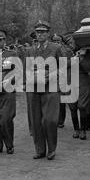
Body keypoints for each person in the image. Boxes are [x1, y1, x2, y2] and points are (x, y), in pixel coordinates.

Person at [22, 21, 64, 160]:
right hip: (33, 89)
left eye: (43, 32)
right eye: (38, 32)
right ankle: (40, 149)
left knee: (50, 120)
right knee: (35, 121)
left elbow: (63, 68)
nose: (40, 34)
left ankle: (51, 149)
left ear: (48, 34)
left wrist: (51, 75)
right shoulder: (30, 50)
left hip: (50, 88)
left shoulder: (56, 48)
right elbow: (25, 69)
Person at [77, 48, 90, 140]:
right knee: (77, 107)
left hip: (86, 82)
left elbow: (88, 68)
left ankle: (83, 129)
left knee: (84, 105)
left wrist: (81, 58)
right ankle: (80, 129)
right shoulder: (75, 51)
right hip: (75, 82)